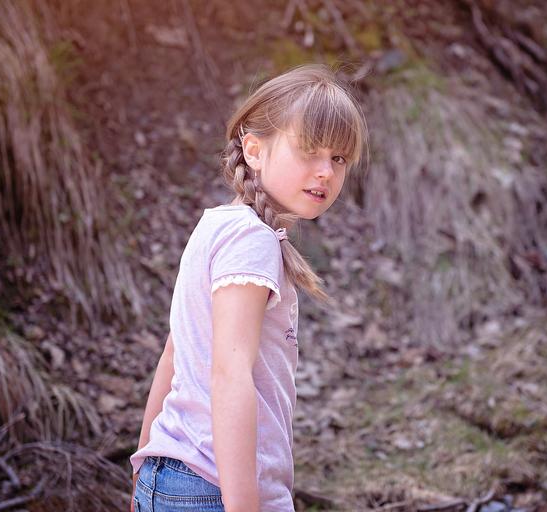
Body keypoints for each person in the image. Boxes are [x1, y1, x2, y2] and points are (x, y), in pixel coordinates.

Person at [128, 63, 368, 512]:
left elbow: (173, 357)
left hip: (172, 474)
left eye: (337, 158)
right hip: (215, 489)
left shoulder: (218, 225)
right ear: (254, 150)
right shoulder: (252, 241)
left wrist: (142, 467)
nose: (325, 172)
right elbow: (230, 375)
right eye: (309, 151)